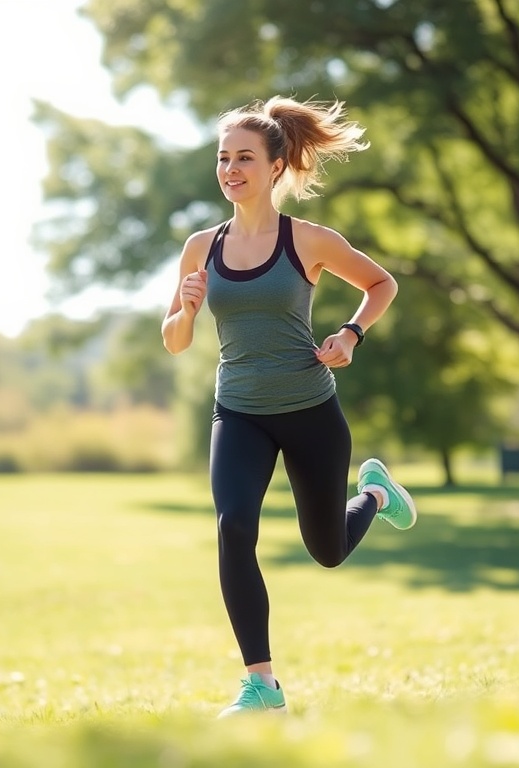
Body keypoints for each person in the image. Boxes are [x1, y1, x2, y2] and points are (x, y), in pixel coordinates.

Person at [161, 95, 417, 718]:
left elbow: (381, 283)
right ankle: (262, 686)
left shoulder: (309, 240)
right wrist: (187, 306)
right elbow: (174, 340)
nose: (231, 169)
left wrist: (350, 335)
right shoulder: (201, 247)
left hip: (309, 410)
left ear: (275, 167)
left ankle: (376, 495)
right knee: (233, 529)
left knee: (326, 549)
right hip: (239, 411)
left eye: (245, 157)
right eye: (223, 158)